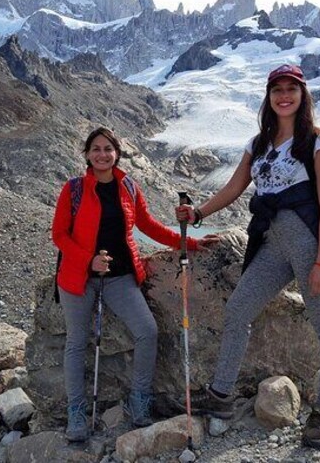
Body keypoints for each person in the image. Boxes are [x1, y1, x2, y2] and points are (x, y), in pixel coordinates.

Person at [176, 64, 320, 448]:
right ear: (268, 96)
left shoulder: (318, 143)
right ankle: (221, 396)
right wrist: (198, 214)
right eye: (277, 89)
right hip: (272, 242)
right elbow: (235, 187)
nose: (284, 95)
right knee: (238, 310)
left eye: (291, 88)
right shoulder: (258, 144)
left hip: (310, 243)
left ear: (302, 95)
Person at [52, 126, 214, 442]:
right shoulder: (72, 190)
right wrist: (88, 261)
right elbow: (59, 235)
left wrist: (189, 243)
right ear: (87, 154)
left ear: (117, 153)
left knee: (147, 331)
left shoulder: (127, 186)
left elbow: (148, 225)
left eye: (107, 149)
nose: (102, 154)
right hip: (78, 277)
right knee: (76, 343)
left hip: (120, 277)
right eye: (96, 149)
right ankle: (76, 412)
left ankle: (139, 400)